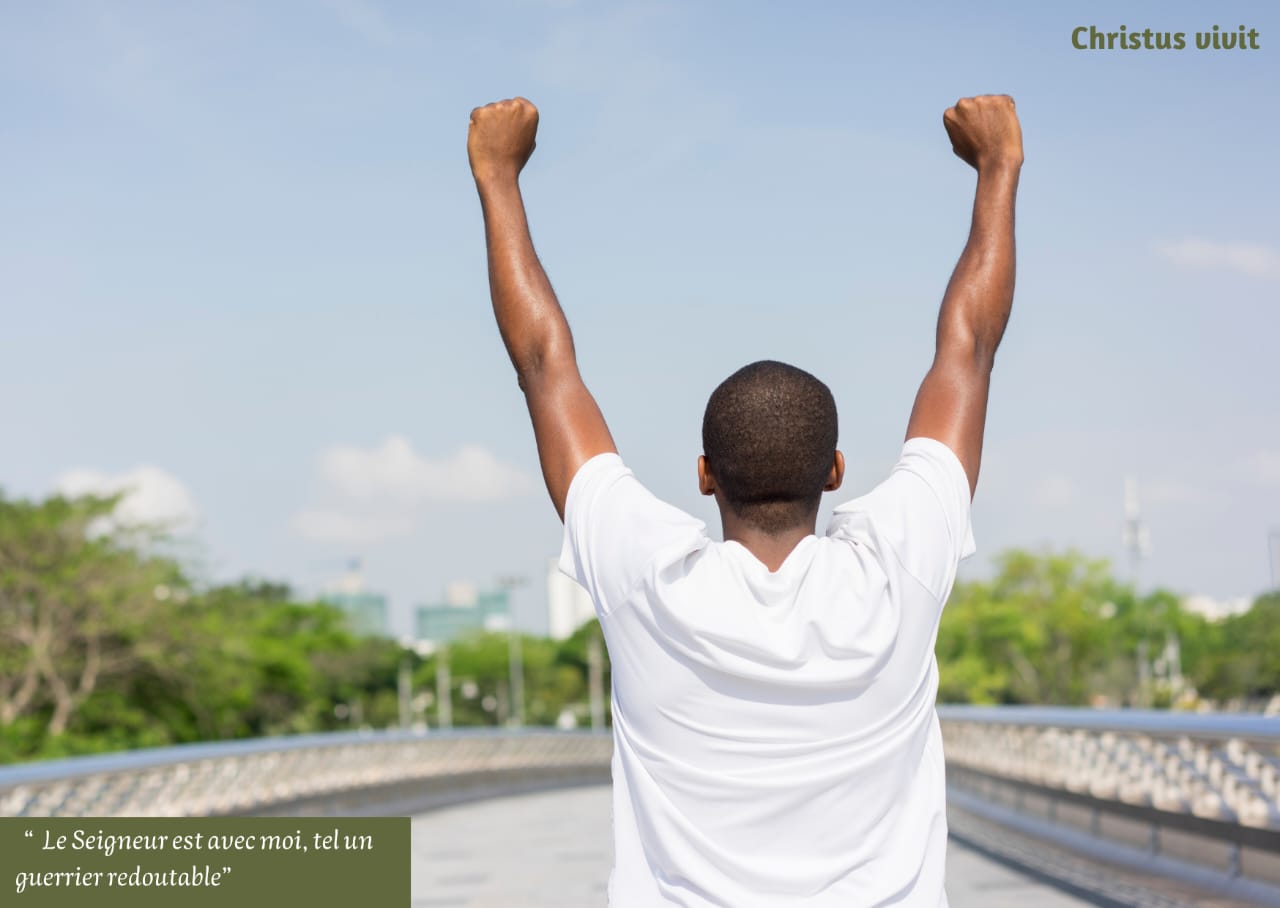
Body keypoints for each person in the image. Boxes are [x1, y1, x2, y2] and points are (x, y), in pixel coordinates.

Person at [467, 94, 1023, 907]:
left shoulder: (648, 579)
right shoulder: (896, 570)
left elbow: (544, 365)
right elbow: (968, 349)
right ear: (835, 471)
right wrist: (999, 167)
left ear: (705, 475)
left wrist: (496, 175)